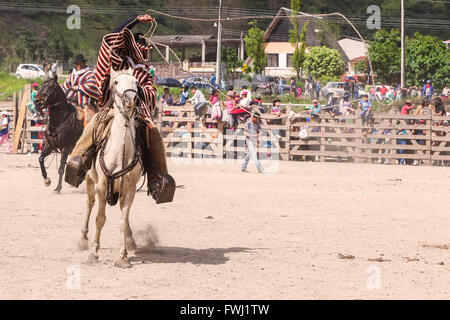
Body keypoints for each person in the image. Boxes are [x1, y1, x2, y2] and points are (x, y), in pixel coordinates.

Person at [65, 13, 175, 204]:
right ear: (132, 46)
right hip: (112, 109)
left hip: (137, 113)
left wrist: (140, 91)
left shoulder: (142, 70)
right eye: (142, 46)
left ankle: (157, 178)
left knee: (153, 133)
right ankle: (79, 162)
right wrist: (135, 20)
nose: (146, 49)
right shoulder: (114, 61)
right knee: (93, 126)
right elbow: (114, 35)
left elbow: (150, 92)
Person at [61, 54, 99, 127]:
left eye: (81, 63)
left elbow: (91, 86)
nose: (79, 65)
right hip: (71, 101)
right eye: (77, 64)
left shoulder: (89, 74)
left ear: (84, 63)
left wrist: (78, 87)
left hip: (85, 104)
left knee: (88, 121)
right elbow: (65, 85)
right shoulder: (72, 75)